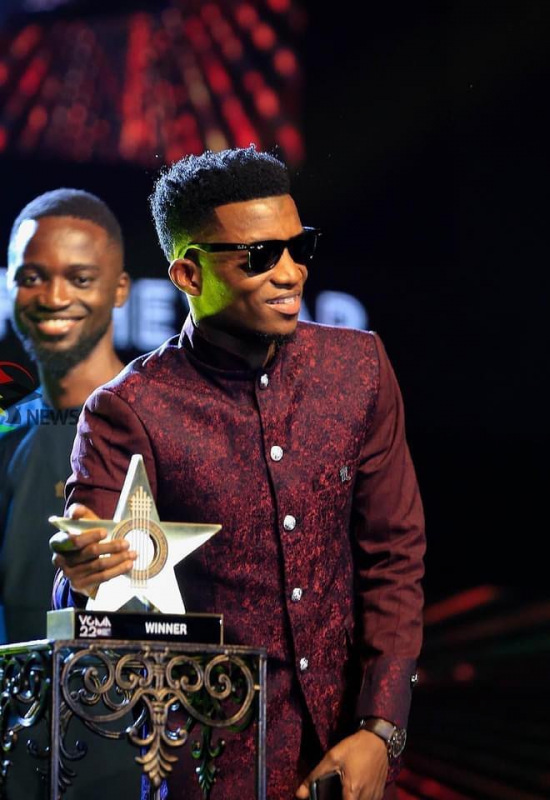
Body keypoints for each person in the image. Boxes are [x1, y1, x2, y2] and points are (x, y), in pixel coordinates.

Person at [51, 147, 426, 800]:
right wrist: (83, 576)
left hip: (350, 761)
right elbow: (83, 596)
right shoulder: (128, 410)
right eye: (260, 256)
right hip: (206, 769)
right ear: (188, 274)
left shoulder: (360, 369)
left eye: (299, 247)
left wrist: (381, 728)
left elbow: (395, 555)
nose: (291, 273)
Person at [0, 188, 137, 799]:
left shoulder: (172, 426)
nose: (55, 297)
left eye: (79, 278)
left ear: (119, 289)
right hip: (7, 771)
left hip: (144, 768)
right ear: (8, 285)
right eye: (32, 277)